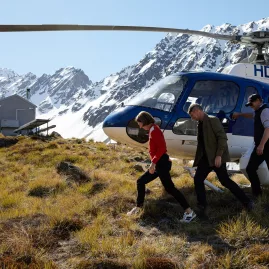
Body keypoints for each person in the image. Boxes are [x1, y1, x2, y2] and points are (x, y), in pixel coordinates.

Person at [127, 111, 196, 223]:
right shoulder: (153, 129)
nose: (139, 125)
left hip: (161, 163)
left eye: (139, 123)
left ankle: (189, 213)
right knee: (141, 181)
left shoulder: (154, 130)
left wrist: (153, 163)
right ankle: (138, 208)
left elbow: (161, 149)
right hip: (161, 162)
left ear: (144, 121)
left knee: (169, 188)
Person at [188, 104, 252, 212]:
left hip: (216, 157)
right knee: (198, 179)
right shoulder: (200, 123)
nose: (192, 117)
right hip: (206, 158)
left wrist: (218, 156)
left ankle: (247, 202)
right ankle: (202, 206)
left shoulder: (213, 120)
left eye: (192, 114)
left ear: (198, 111)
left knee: (225, 181)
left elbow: (222, 138)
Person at [232, 94, 269, 197]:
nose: (251, 106)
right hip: (261, 145)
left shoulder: (265, 111)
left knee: (251, 168)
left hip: (266, 146)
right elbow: (251, 115)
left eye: (252, 103)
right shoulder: (258, 111)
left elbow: (268, 129)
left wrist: (261, 145)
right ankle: (257, 194)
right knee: (250, 168)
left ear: (258, 100)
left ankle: (258, 194)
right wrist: (239, 115)